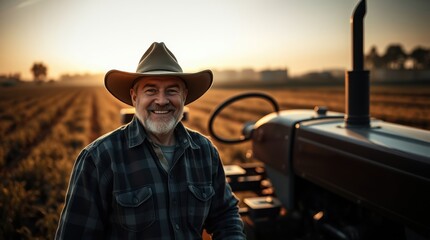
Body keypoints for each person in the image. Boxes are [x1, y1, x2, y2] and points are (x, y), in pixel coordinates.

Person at [55, 42, 246, 239]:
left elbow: (225, 215)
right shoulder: (99, 158)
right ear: (134, 97)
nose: (162, 100)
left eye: (172, 90)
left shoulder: (205, 151)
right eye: (151, 90)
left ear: (184, 96)